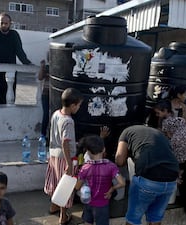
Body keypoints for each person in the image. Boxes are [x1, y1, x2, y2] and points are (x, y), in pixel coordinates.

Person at [115, 125, 179, 225]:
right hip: (171, 181)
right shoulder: (157, 133)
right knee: (155, 218)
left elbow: (119, 160)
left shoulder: (126, 132)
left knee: (133, 219)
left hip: (148, 180)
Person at [43, 87, 83, 225]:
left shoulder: (56, 114)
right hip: (64, 158)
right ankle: (63, 216)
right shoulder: (68, 121)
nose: (78, 108)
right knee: (64, 187)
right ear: (73, 105)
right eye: (79, 105)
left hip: (53, 155)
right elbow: (65, 143)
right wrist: (70, 164)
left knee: (55, 183)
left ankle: (53, 206)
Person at [0, 12, 32, 105]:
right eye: (2, 23)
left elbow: (19, 51)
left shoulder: (14, 35)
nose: (4, 25)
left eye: (6, 23)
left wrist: (28, 63)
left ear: (10, 24)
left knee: (8, 100)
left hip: (9, 73)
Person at [75, 135, 126, 225]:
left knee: (87, 222)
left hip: (88, 202)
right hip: (103, 204)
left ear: (88, 152)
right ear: (104, 150)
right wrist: (112, 189)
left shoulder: (85, 168)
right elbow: (122, 183)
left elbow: (77, 187)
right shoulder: (111, 166)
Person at [38, 59, 50, 138]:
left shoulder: (59, 66)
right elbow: (40, 77)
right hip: (46, 94)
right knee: (46, 115)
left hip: (55, 94)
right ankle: (43, 136)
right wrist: (42, 66)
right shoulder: (47, 67)